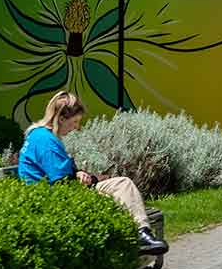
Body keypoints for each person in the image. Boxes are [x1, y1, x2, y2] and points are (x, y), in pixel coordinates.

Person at [17, 90, 168, 256]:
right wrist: (87, 178)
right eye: (74, 121)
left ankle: (142, 235)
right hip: (53, 198)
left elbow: (59, 173)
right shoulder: (46, 141)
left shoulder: (39, 135)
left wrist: (79, 174)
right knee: (121, 195)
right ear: (60, 119)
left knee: (122, 184)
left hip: (53, 192)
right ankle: (140, 239)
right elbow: (62, 182)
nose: (76, 127)